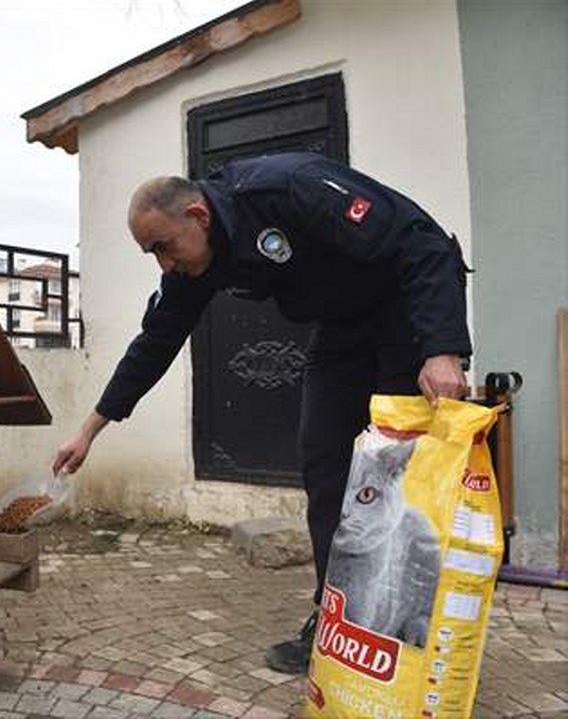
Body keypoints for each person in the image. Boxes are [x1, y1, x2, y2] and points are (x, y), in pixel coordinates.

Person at [51, 152, 470, 675]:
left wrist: (442, 349)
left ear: (197, 216)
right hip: (340, 327)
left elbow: (420, 243)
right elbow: (154, 343)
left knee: (397, 475)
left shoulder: (288, 188)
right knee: (325, 465)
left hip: (404, 312)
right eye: (150, 253)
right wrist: (90, 430)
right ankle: (336, 618)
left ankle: (408, 631)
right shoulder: (196, 259)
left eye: (163, 247)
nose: (163, 263)